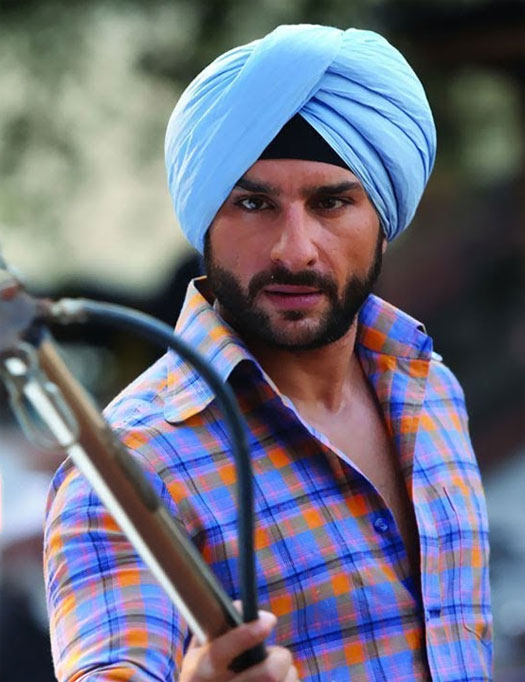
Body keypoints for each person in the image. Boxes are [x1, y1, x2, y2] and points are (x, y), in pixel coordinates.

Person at [44, 24, 493, 682]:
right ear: (205, 220)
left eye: (331, 202)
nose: (293, 250)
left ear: (382, 221)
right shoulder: (130, 468)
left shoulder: (432, 392)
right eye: (253, 203)